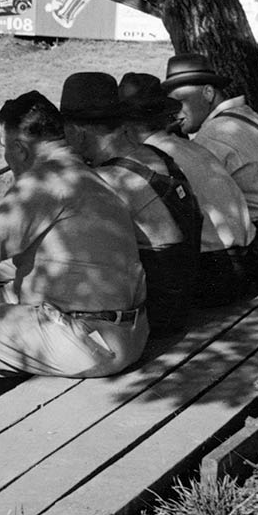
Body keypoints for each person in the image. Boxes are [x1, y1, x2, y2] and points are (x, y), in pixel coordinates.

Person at [0, 91, 148, 391]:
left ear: (18, 148)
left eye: (5, 147)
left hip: (89, 342)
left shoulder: (42, 182)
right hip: (126, 334)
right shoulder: (87, 177)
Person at [59, 72, 200, 339]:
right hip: (182, 300)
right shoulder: (155, 155)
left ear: (76, 132)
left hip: (157, 314)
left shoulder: (107, 180)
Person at [119, 72, 255, 307]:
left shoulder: (150, 160)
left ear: (124, 123)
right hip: (248, 259)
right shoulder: (192, 147)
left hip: (214, 270)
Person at [163, 53, 258, 289]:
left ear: (208, 93)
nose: (175, 113)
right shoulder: (243, 115)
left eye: (179, 102)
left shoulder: (215, 134)